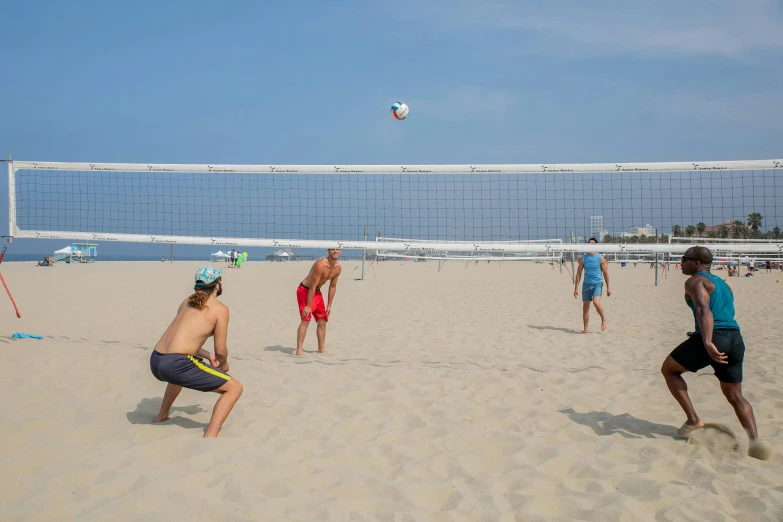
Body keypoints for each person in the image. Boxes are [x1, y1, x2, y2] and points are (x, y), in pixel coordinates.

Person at [660, 246, 770, 459]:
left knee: (669, 370)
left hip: (713, 337)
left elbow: (704, 310)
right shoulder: (724, 285)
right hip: (735, 338)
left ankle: (693, 419)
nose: (681, 263)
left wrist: (708, 340)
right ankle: (756, 442)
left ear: (697, 263)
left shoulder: (694, 281)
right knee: (735, 395)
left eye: (684, 259)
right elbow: (724, 313)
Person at [149, 265, 243, 438]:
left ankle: (161, 415)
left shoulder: (186, 301)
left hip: (156, 360)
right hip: (175, 363)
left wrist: (208, 356)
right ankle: (211, 436)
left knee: (181, 372)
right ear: (217, 284)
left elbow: (183, 342)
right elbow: (221, 350)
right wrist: (223, 364)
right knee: (235, 389)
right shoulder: (220, 309)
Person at [296, 248, 342, 356]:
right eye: (332, 249)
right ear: (328, 251)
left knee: (322, 320)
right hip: (305, 290)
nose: (335, 251)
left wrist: (329, 305)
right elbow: (312, 286)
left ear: (340, 251)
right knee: (306, 319)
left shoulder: (338, 268)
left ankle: (321, 349)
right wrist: (308, 306)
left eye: (337, 249)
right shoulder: (320, 265)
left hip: (316, 292)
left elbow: (332, 286)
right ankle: (299, 350)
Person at [573, 238, 611, 332]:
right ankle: (585, 329)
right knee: (585, 308)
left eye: (593, 243)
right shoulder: (583, 259)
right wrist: (576, 288)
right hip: (586, 284)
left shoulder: (600, 258)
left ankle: (603, 320)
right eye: (589, 243)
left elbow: (606, 273)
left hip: (597, 283)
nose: (591, 244)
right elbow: (578, 274)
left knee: (596, 302)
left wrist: (608, 287)